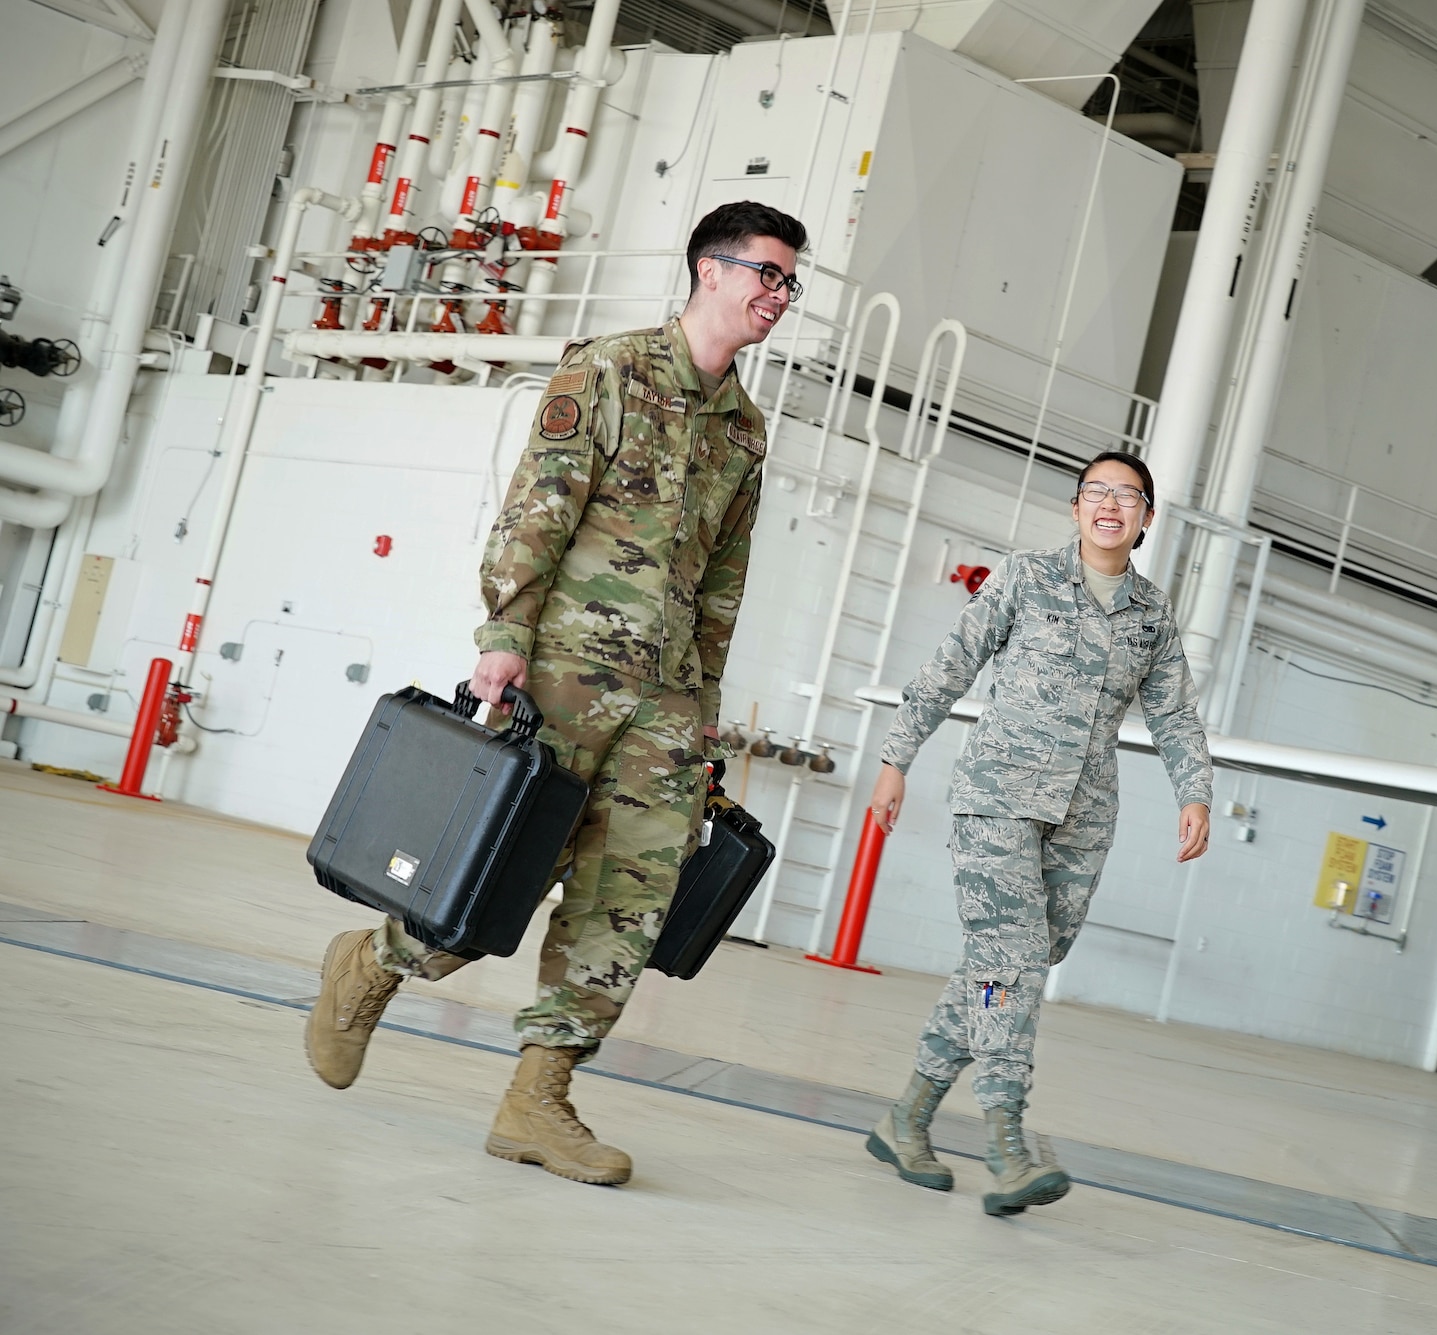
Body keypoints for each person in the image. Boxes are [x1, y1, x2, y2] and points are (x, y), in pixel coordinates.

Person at [304, 200, 809, 1187]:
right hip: (567, 671)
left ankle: (539, 1098)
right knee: (499, 872)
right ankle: (371, 965)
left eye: (789, 281)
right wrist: (502, 638)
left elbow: (721, 580)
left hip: (663, 703)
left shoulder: (744, 430)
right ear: (711, 269)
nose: (778, 296)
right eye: (767, 274)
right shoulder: (609, 369)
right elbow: (538, 507)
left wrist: (699, 711)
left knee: (628, 897)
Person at [862, 450, 1213, 1216]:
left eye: (1127, 496)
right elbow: (950, 665)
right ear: (1077, 507)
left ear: (1147, 518)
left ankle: (908, 1116)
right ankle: (1006, 1140)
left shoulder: (1151, 616)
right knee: (1012, 959)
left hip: (1082, 819)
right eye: (1096, 492)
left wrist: (1196, 793)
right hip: (997, 799)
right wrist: (896, 759)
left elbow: (1176, 714)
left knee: (1004, 967)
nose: (1109, 505)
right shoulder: (1025, 578)